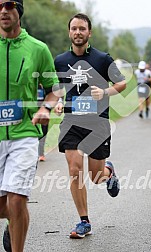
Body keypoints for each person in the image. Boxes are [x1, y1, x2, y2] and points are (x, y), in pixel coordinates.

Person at [54, 13, 126, 238]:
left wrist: (104, 91)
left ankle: (108, 172)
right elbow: (58, 88)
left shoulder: (102, 59)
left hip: (97, 123)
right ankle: (83, 221)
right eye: (74, 28)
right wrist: (57, 100)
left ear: (89, 32)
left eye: (82, 29)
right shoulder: (59, 60)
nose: (77, 32)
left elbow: (122, 83)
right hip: (71, 122)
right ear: (69, 32)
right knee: (75, 170)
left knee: (96, 176)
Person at [0, 1, 60, 251]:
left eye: (8, 5)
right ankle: (15, 220)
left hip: (24, 133)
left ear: (19, 10)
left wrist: (46, 108)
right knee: (8, 206)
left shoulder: (37, 48)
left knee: (17, 199)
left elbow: (54, 89)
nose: (3, 10)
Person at [37, 84, 49, 162]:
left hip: (44, 111)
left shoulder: (45, 85)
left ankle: (41, 153)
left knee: (44, 131)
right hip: (31, 110)